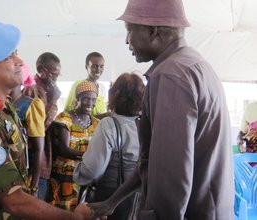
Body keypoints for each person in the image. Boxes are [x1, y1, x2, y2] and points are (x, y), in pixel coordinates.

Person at [89, 0, 234, 219]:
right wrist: (111, 203)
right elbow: (152, 162)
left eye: (129, 31)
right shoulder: (195, 64)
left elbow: (171, 173)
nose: (127, 41)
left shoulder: (170, 75)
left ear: (152, 30)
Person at [0, 21, 99, 220]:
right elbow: (14, 201)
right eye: (9, 56)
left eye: (16, 53)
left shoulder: (2, 107)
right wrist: (75, 218)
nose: (19, 61)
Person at [73, 72, 145, 220]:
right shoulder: (148, 125)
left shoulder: (109, 124)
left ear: (114, 96)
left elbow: (93, 170)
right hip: (141, 199)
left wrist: (78, 171)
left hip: (109, 200)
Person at [49, 81, 100, 211]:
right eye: (86, 98)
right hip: (65, 177)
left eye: (93, 99)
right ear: (78, 98)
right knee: (63, 213)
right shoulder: (65, 118)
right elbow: (64, 150)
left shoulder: (96, 123)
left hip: (86, 178)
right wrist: (91, 156)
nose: (90, 103)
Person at [22, 52, 62, 201]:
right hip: (34, 161)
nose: (56, 79)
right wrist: (53, 99)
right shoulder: (32, 90)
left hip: (44, 157)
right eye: (54, 75)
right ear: (41, 70)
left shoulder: (47, 89)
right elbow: (40, 128)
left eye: (58, 75)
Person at [9, 64, 46, 197]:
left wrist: (34, 187)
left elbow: (38, 149)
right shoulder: (1, 103)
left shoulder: (30, 105)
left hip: (25, 173)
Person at [64, 52, 107, 117]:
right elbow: (70, 112)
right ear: (86, 67)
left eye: (101, 67)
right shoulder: (79, 85)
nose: (98, 70)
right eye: (95, 66)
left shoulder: (102, 87)